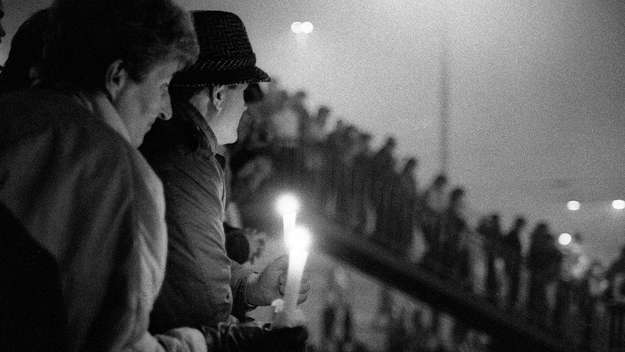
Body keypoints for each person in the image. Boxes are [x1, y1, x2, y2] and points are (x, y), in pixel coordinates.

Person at [0, 0, 209, 350]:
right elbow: (114, 338)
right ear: (117, 76)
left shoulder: (10, 117)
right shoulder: (122, 177)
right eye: (163, 85)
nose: (166, 110)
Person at [141, 11, 310, 336]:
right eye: (243, 92)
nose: (246, 106)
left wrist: (252, 287)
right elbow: (203, 299)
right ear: (219, 95)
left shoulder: (189, 151)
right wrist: (263, 339)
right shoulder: (186, 159)